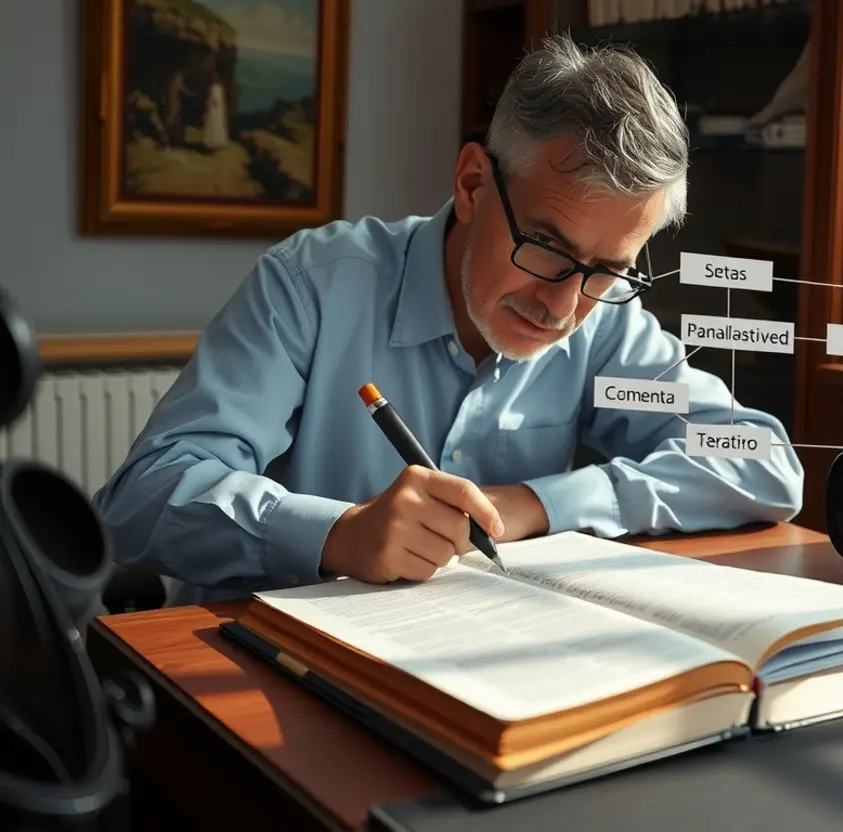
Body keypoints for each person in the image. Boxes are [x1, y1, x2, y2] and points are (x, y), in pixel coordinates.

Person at [92, 34, 804, 607]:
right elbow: (141, 499)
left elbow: (761, 462)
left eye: (609, 268)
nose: (561, 306)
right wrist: (338, 534)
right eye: (547, 246)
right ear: (470, 185)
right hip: (253, 674)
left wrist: (533, 505)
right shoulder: (313, 285)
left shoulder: (605, 319)